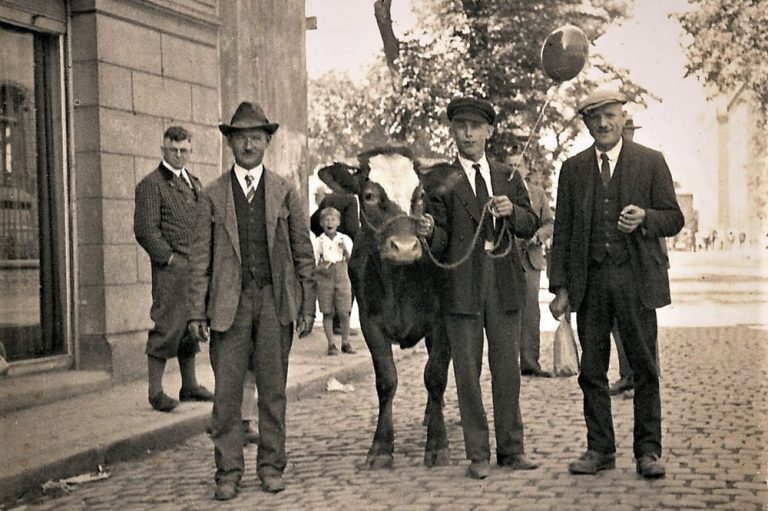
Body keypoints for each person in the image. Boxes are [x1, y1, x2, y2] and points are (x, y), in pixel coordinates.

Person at [548, 88, 684, 479]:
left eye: (610, 116)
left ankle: (648, 451)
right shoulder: (573, 169)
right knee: (591, 370)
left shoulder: (650, 162)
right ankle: (599, 450)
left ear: (624, 118)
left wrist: (645, 217)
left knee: (644, 366)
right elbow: (564, 231)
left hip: (636, 280)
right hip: (590, 283)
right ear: (587, 124)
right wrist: (560, 287)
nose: (603, 124)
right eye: (595, 118)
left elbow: (674, 218)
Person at [186, 101, 316, 500]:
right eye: (241, 138)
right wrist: (196, 310)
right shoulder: (212, 195)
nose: (248, 145)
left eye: (255, 137)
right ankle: (227, 472)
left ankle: (272, 467)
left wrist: (307, 304)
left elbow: (302, 251)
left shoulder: (284, 191)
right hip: (229, 306)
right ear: (230, 143)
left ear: (267, 142)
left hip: (275, 302)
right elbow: (199, 259)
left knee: (273, 391)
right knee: (226, 394)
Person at [421, 96, 540, 479]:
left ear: (489, 131)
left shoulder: (509, 175)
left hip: (503, 284)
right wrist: (429, 232)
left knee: (507, 370)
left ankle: (512, 449)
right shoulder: (441, 179)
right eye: (460, 126)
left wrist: (513, 211)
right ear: (453, 131)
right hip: (461, 287)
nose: (468, 133)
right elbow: (439, 241)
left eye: (475, 126)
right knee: (467, 374)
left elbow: (529, 223)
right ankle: (478, 454)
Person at [133, 126, 214, 412]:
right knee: (167, 324)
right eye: (173, 150)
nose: (179, 155)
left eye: (184, 150)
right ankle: (155, 392)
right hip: (172, 269)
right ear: (163, 150)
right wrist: (169, 259)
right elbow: (145, 230)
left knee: (190, 324)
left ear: (190, 151)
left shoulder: (194, 182)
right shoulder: (151, 184)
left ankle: (189, 386)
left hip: (194, 269)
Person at [506, 155, 554, 377]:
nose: (515, 168)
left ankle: (529, 363)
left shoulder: (538, 194)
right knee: (506, 312)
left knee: (531, 313)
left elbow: (549, 223)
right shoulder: (499, 193)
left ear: (526, 168)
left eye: (519, 164)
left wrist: (538, 236)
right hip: (505, 260)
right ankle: (507, 365)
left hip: (531, 260)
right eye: (509, 164)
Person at [310, 176, 360, 336]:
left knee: (327, 296)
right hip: (343, 247)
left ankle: (334, 324)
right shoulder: (351, 199)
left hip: (327, 245)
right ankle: (340, 324)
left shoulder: (328, 199)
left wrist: (324, 236)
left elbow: (313, 221)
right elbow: (352, 226)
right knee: (345, 287)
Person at [314, 207, 355, 356]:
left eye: (333, 219)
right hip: (325, 277)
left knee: (344, 311)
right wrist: (322, 268)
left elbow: (352, 261)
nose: (329, 222)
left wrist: (345, 251)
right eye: (326, 220)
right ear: (321, 223)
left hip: (342, 274)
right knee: (327, 311)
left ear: (338, 222)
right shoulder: (319, 241)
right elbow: (314, 262)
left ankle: (345, 342)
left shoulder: (345, 239)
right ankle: (331, 344)